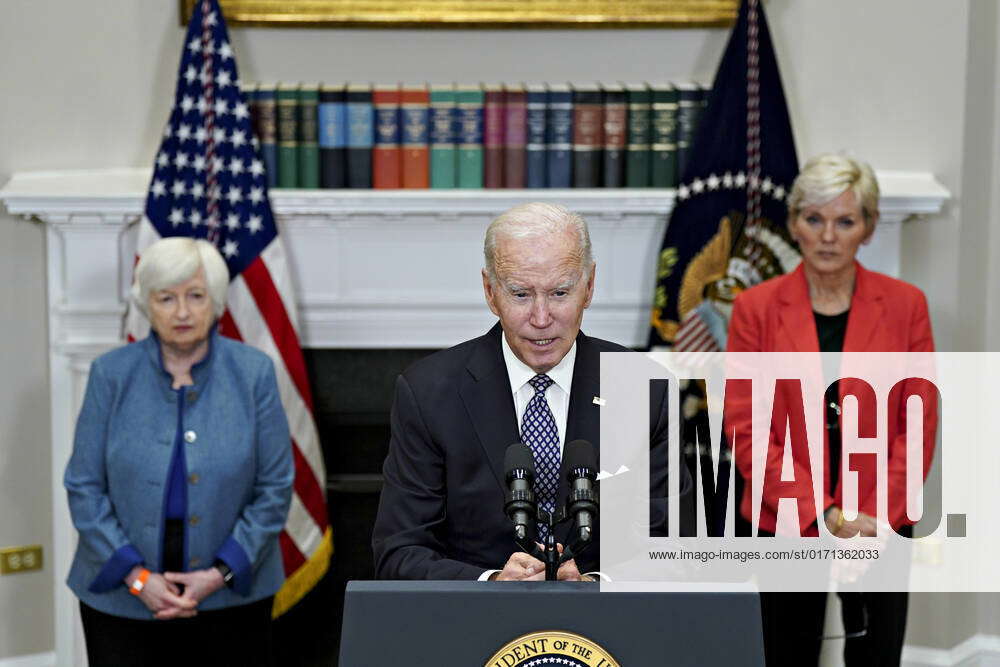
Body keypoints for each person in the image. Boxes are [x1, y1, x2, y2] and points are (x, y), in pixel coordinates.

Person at [372, 202, 691, 581]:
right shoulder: (428, 393)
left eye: (559, 293)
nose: (541, 319)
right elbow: (399, 553)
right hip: (475, 628)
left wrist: (597, 585)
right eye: (521, 295)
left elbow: (675, 546)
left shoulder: (645, 389)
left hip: (608, 629)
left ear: (588, 286)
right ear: (491, 293)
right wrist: (491, 582)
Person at [726, 153, 937, 665]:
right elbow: (746, 429)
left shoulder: (907, 305)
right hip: (785, 515)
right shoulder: (755, 308)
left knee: (876, 655)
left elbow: (919, 422)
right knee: (786, 654)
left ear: (867, 228)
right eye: (814, 219)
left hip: (881, 519)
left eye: (845, 221)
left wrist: (870, 521)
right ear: (794, 223)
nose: (827, 236)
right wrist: (824, 516)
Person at [64, 237, 294, 666]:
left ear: (217, 301)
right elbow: (84, 488)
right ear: (146, 304)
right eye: (166, 298)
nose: (183, 312)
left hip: (231, 598)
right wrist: (137, 579)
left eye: (196, 296)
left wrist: (218, 575)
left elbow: (275, 488)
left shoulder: (253, 374)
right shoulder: (110, 375)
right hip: (123, 598)